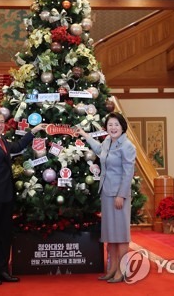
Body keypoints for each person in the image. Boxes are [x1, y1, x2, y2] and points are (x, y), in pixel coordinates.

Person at [0, 109, 46, 286]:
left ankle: (3, 270)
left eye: (1, 122)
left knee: (5, 235)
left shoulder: (2, 141)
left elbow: (19, 146)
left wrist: (33, 131)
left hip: (6, 196)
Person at [76, 112, 136, 283]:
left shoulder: (127, 146)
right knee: (111, 234)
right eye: (110, 125)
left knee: (121, 234)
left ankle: (122, 270)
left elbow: (128, 173)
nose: (113, 128)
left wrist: (121, 195)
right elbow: (98, 149)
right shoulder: (108, 142)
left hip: (119, 196)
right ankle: (112, 269)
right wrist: (85, 135)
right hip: (106, 193)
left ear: (122, 126)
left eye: (116, 124)